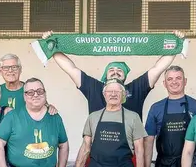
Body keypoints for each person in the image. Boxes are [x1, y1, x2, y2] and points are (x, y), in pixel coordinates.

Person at [43, 29, 184, 117]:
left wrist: (176, 45)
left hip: (129, 150)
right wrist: (52, 47)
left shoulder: (136, 88)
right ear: (105, 75)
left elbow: (157, 68)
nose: (115, 72)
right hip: (98, 150)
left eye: (119, 70)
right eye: (111, 70)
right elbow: (71, 68)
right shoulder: (93, 87)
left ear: (125, 76)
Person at [71, 79, 145, 167]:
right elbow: (85, 148)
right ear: (104, 94)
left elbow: (140, 150)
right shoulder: (93, 117)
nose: (113, 94)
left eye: (117, 91)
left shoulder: (133, 117)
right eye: (110, 91)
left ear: (123, 94)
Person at [142, 66, 196, 167]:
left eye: (178, 78)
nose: (174, 82)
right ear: (164, 83)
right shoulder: (156, 108)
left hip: (191, 166)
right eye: (170, 79)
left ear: (185, 81)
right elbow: (148, 142)